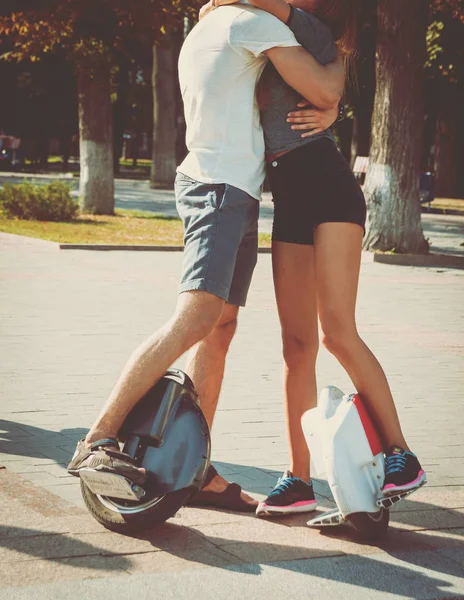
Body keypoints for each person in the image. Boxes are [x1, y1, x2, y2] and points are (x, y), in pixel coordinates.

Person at [67, 1, 345, 512]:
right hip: (220, 187)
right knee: (196, 317)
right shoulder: (252, 23)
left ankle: (193, 464)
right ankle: (98, 440)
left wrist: (331, 103)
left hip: (228, 185)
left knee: (219, 327)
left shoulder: (208, 26)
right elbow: (323, 85)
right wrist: (333, 96)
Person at [208, 0, 426, 517]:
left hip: (329, 191)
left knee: (337, 333)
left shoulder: (299, 23)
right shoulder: (267, 37)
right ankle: (299, 479)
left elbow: (279, 12)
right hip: (289, 200)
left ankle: (401, 454)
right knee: (296, 345)